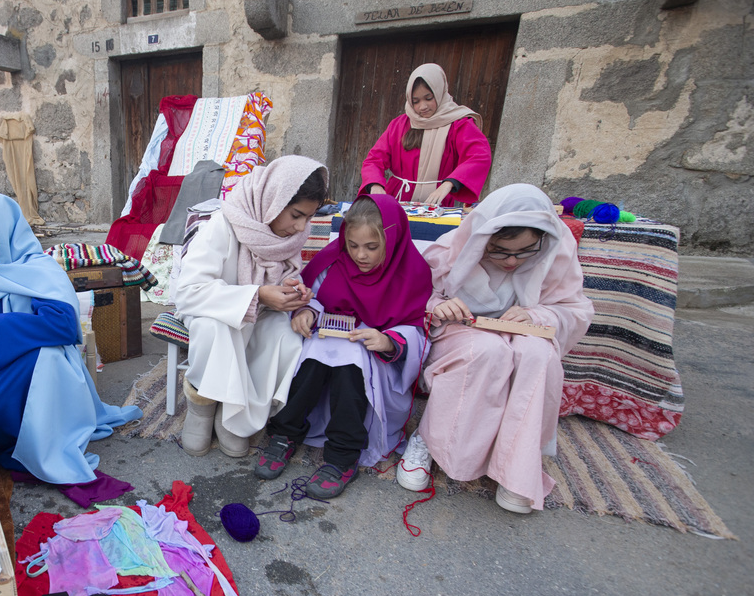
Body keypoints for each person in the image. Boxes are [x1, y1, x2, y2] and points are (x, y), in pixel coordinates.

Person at [0, 191, 140, 484]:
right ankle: (10, 434)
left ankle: (30, 447)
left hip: (36, 363)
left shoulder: (37, 270)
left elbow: (63, 326)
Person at [396, 184, 593, 514]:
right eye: (500, 251)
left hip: (525, 335)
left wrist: (536, 314)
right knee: (486, 351)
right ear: (482, 240)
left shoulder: (558, 253)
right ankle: (428, 440)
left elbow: (575, 310)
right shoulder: (450, 252)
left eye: (526, 251)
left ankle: (518, 468)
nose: (513, 261)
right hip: (462, 335)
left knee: (538, 354)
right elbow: (414, 295)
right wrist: (439, 306)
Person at [254, 194, 433, 499]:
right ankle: (285, 433)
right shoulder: (334, 261)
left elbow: (419, 329)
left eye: (372, 247)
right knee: (312, 356)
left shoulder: (413, 273)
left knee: (352, 363)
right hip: (328, 342)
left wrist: (388, 340)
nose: (360, 255)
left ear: (393, 241)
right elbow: (312, 296)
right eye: (353, 245)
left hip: (376, 357)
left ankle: (342, 455)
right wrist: (307, 311)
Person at [175, 155, 328, 457]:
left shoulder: (289, 236)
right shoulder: (224, 223)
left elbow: (284, 277)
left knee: (287, 337)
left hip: (260, 311)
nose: (300, 227)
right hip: (208, 308)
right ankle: (202, 407)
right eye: (296, 215)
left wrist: (290, 291)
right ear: (273, 199)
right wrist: (257, 295)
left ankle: (235, 419)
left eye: (308, 218)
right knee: (218, 327)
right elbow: (189, 291)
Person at [359, 63, 492, 206]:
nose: (422, 107)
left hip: (437, 202)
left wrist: (448, 184)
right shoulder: (400, 125)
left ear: (440, 92)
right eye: (415, 101)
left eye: (428, 98)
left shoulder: (459, 124)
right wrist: (375, 185)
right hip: (397, 201)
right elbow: (373, 160)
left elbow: (479, 156)